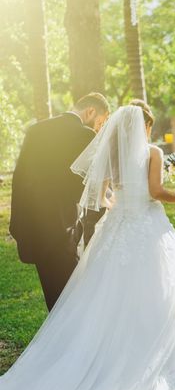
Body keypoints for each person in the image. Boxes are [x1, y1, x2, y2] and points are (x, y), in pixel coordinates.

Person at [0, 105, 175, 390]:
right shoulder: (153, 152)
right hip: (146, 227)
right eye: (149, 126)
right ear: (145, 126)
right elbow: (156, 192)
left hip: (117, 230)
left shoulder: (110, 154)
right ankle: (148, 345)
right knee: (154, 286)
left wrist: (120, 203)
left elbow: (98, 195)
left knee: (105, 290)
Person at [10, 92, 110, 311]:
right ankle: (67, 343)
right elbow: (89, 183)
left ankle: (58, 342)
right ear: (90, 111)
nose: (98, 129)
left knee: (53, 297)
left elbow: (20, 178)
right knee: (71, 298)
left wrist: (17, 224)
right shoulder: (83, 135)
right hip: (62, 227)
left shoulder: (36, 130)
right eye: (100, 123)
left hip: (33, 227)